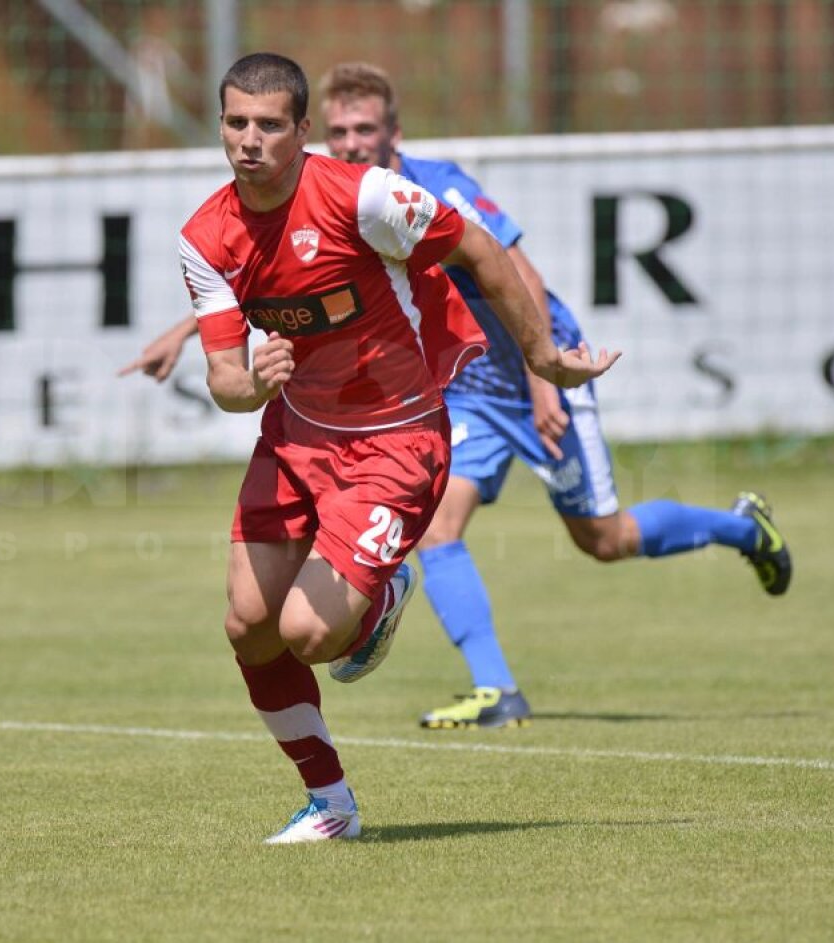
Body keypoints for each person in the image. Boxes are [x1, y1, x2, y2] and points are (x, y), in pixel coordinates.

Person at [124, 61, 792, 736]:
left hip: (534, 373)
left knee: (602, 536)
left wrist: (540, 378)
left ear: (395, 132)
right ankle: (494, 686)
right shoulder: (311, 196)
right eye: (341, 131)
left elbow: (516, 269)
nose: (352, 142)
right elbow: (270, 278)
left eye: (366, 129)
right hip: (461, 385)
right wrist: (188, 331)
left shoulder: (423, 188)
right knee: (439, 527)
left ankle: (743, 527)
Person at [173, 52, 616, 845]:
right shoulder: (206, 237)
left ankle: (382, 597)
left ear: (301, 131)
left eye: (269, 124)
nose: (249, 140)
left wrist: (543, 356)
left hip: (395, 438)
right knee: (249, 625)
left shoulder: (363, 197)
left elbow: (481, 248)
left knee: (311, 633)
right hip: (296, 434)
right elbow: (225, 382)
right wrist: (256, 382)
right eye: (236, 121)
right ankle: (331, 803)